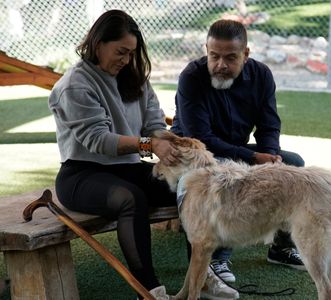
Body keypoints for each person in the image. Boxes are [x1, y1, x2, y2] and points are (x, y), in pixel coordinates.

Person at [48, 10, 236, 300]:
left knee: (194, 185)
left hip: (128, 169)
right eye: (120, 51)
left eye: (131, 53)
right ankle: (149, 291)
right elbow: (98, 140)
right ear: (98, 44)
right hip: (82, 175)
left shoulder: (134, 78)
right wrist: (150, 146)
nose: (126, 59)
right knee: (130, 199)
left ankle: (202, 276)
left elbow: (154, 126)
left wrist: (170, 144)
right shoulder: (75, 84)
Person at [171, 19, 306, 284]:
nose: (220, 65)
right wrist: (254, 158)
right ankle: (218, 258)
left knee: (294, 164)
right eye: (214, 56)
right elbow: (201, 138)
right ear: (206, 50)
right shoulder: (191, 77)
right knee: (223, 174)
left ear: (246, 54)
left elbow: (269, 125)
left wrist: (271, 158)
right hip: (194, 155)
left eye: (230, 57)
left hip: (236, 152)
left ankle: (282, 246)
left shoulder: (262, 75)